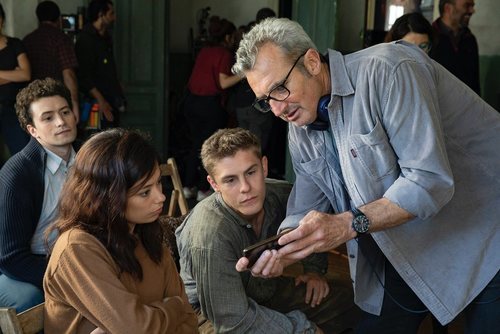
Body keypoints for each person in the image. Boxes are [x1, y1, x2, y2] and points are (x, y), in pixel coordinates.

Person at [232, 18, 500, 333]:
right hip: (407, 246)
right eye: (266, 100)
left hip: (486, 235)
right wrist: (283, 248)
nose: (277, 109)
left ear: (313, 62)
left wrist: (346, 225)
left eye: (280, 88)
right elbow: (305, 204)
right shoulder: (300, 127)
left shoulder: (389, 71)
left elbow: (429, 181)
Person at [176, 127, 358, 334]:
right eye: (230, 180)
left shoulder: (280, 194)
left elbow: (310, 223)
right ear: (214, 184)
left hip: (263, 292)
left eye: (251, 172)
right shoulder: (209, 234)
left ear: (264, 166)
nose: (245, 187)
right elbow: (232, 321)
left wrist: (314, 270)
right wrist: (303, 329)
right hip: (211, 315)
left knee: (346, 301)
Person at [43, 128, 198, 333]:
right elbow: (136, 328)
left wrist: (157, 315)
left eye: (159, 182)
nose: (161, 197)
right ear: (106, 197)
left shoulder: (148, 234)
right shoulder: (77, 248)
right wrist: (173, 307)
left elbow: (189, 322)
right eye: (145, 192)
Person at [0, 78, 78, 312]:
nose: (61, 122)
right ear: (32, 130)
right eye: (48, 117)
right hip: (18, 266)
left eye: (65, 112)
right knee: (32, 300)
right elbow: (10, 257)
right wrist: (67, 277)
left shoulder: (89, 160)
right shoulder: (17, 174)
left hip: (75, 257)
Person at [182, 16, 242, 202]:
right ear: (227, 37)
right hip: (209, 105)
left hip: (191, 102)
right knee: (208, 148)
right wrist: (244, 73)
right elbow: (224, 83)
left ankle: (187, 186)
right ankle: (202, 189)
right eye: (232, 36)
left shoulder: (204, 51)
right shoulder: (224, 54)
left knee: (195, 145)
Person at [23, 0, 80, 121]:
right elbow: (68, 73)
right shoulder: (61, 38)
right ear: (58, 18)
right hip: (57, 97)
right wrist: (74, 103)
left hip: (34, 99)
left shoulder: (28, 39)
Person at [75, 0, 125, 129]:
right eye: (111, 13)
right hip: (96, 102)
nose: (114, 17)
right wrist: (101, 100)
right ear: (101, 14)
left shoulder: (105, 37)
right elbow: (83, 76)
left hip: (110, 98)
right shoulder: (85, 40)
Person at [0, 3, 30, 160]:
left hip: (13, 108)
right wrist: (13, 74)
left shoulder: (15, 44)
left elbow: (25, 74)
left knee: (22, 155)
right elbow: (19, 74)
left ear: (2, 20)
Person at [429, 0, 480, 95]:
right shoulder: (429, 38)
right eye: (467, 5)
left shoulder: (469, 39)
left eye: (472, 6)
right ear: (448, 8)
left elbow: (475, 82)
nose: (472, 11)